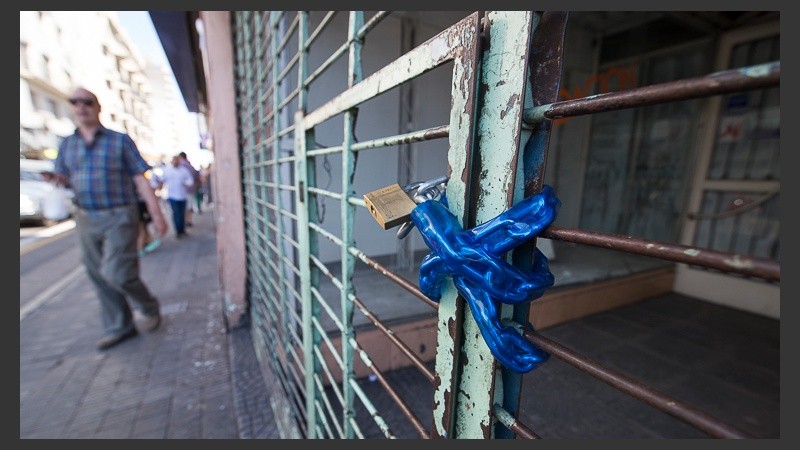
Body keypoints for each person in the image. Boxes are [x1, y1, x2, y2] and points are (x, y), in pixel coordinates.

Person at [47, 87, 167, 351]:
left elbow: (141, 178)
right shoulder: (67, 144)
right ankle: (120, 326)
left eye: (87, 102)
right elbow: (63, 176)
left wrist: (157, 215)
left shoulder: (119, 141)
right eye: (74, 102)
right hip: (85, 216)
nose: (81, 106)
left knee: (117, 273)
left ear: (98, 107)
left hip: (119, 215)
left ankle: (148, 306)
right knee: (97, 275)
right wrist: (57, 180)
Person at [159, 154, 195, 238]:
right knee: (176, 213)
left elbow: (190, 181)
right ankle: (178, 231)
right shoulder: (167, 170)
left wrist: (185, 183)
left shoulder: (184, 171)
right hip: (172, 196)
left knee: (182, 213)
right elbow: (162, 180)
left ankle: (182, 230)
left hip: (182, 195)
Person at [177, 151, 201, 225]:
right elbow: (197, 177)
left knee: (184, 207)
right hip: (191, 189)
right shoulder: (190, 166)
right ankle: (189, 220)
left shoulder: (181, 166)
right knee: (189, 206)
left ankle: (185, 220)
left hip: (183, 190)